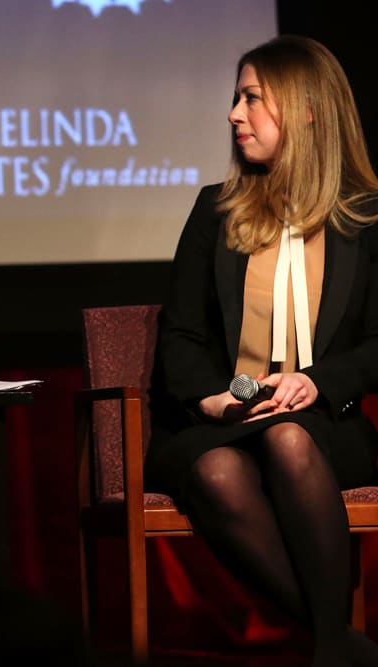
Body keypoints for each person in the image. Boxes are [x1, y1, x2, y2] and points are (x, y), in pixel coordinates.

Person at [145, 35, 378, 667]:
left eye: (252, 98)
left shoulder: (364, 218)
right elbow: (183, 334)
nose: (234, 114)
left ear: (304, 109)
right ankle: (339, 642)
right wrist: (215, 400)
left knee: (290, 437)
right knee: (221, 470)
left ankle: (331, 645)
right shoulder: (214, 210)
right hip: (220, 423)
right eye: (235, 97)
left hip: (324, 422)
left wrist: (317, 383)